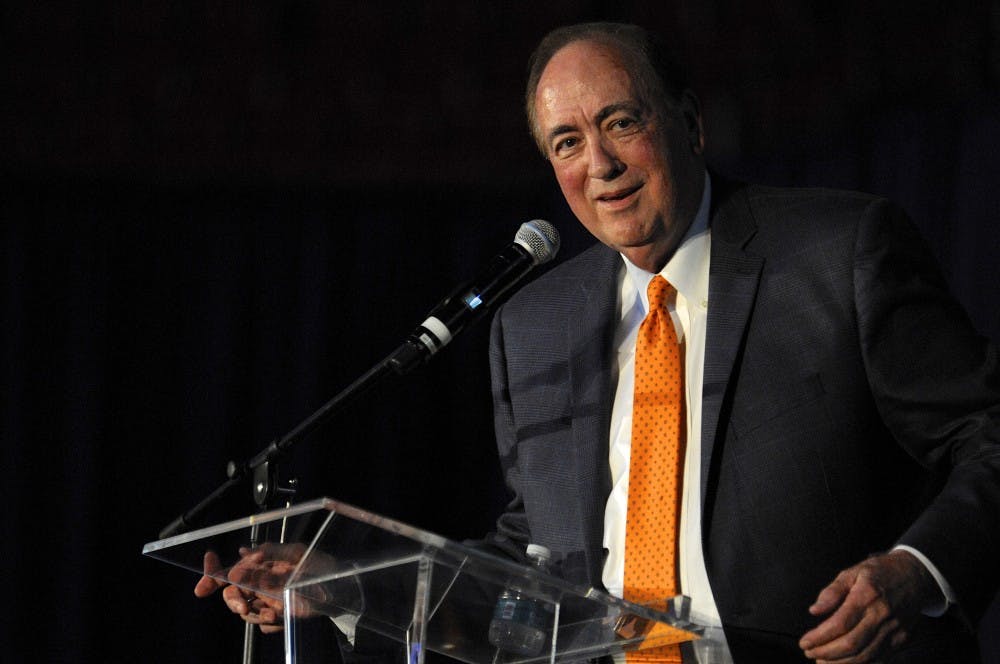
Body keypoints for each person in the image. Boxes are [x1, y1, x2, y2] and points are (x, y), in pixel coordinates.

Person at [198, 21, 1000, 664]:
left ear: (690, 123)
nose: (601, 164)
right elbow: (534, 569)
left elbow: (986, 435)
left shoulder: (837, 252)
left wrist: (917, 571)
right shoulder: (534, 323)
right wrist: (349, 585)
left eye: (621, 121)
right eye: (567, 143)